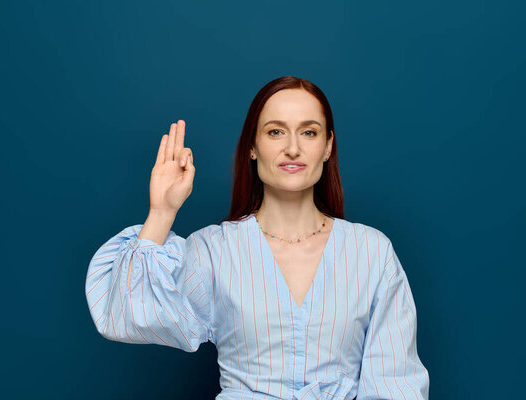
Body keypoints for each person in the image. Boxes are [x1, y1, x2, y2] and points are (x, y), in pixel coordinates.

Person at [84, 76, 430, 400]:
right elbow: (127, 316)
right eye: (275, 132)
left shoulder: (371, 251)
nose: (292, 148)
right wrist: (161, 212)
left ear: (328, 146)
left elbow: (396, 385)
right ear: (252, 146)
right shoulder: (213, 250)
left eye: (309, 133)